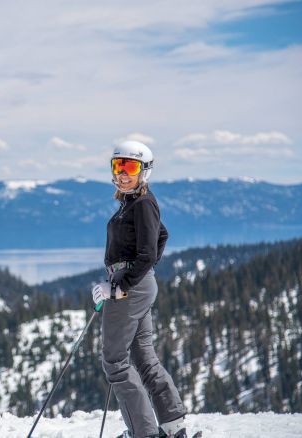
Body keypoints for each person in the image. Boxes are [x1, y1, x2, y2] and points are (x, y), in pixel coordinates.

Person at [91, 140, 189, 438]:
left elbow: (146, 253)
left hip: (129, 287)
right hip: (136, 285)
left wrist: (118, 284)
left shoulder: (143, 203)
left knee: (115, 363)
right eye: (118, 165)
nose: (123, 173)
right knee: (143, 356)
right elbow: (162, 235)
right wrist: (132, 278)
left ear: (144, 171)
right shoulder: (132, 203)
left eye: (130, 167)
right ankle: (173, 427)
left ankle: (144, 434)